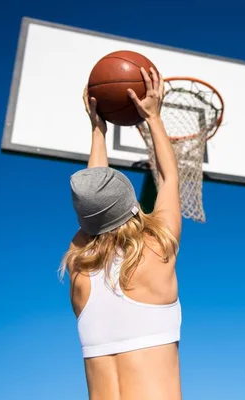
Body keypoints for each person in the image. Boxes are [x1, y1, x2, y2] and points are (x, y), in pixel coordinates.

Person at [59, 67, 183, 400]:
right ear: (131, 205)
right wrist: (153, 117)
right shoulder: (157, 251)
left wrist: (97, 130)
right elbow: (170, 179)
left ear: (85, 224)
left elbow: (93, 193)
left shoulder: (78, 270)